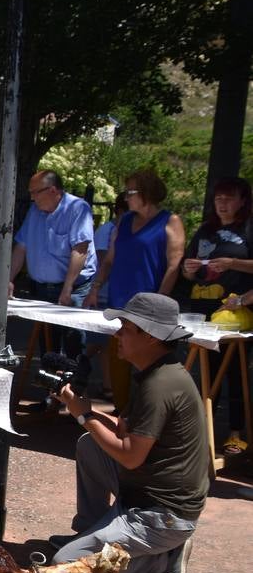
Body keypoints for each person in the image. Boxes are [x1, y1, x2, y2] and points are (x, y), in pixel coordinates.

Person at [50, 293, 209, 573]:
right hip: (146, 495)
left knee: (65, 566)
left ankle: (162, 560)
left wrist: (84, 415)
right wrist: (78, 406)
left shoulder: (160, 385)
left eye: (126, 328)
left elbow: (130, 456)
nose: (117, 335)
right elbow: (125, 430)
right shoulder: (155, 372)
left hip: (162, 515)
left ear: (150, 336)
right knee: (90, 444)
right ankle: (90, 530)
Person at [84, 170, 186, 412]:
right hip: (119, 305)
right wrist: (95, 288)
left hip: (149, 310)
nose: (126, 197)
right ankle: (121, 414)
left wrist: (159, 304)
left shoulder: (170, 221)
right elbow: (109, 260)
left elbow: (174, 265)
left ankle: (146, 418)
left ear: (146, 193)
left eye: (130, 192)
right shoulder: (125, 220)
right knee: (119, 363)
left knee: (148, 367)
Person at [180, 176, 253, 456]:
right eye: (218, 198)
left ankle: (236, 433)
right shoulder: (205, 230)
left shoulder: (248, 227)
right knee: (205, 370)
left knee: (235, 370)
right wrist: (188, 268)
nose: (222, 203)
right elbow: (188, 272)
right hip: (202, 310)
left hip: (235, 311)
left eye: (229, 198)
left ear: (242, 201)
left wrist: (233, 263)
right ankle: (200, 430)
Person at [9, 170, 97, 357]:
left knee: (73, 343)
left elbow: (80, 250)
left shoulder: (77, 208)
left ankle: (74, 376)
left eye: (35, 192)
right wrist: (9, 279)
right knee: (48, 345)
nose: (32, 197)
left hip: (73, 288)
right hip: (42, 288)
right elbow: (21, 247)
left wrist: (67, 288)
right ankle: (51, 376)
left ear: (53, 190)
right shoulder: (34, 211)